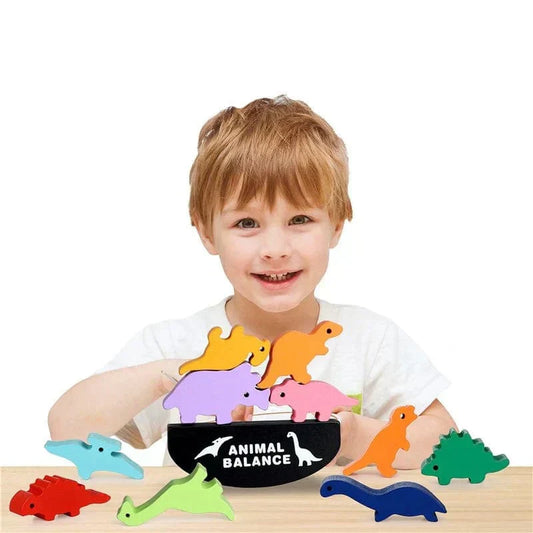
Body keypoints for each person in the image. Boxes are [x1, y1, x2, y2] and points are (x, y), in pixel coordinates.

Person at [48, 96, 456, 467]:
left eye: (300, 219)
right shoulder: (174, 344)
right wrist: (177, 373)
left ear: (336, 225)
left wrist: (352, 435)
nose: (275, 249)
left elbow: (443, 442)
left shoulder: (370, 340)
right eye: (246, 223)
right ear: (207, 233)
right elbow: (67, 430)